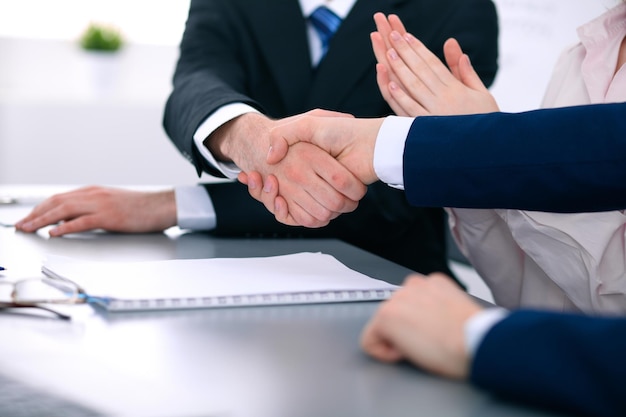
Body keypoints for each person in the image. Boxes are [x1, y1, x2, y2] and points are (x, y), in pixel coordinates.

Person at [15, 0, 499, 285]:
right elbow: (195, 81)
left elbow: (397, 194)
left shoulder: (458, 9)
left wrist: (173, 206)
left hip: (393, 284)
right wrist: (251, 137)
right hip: (230, 274)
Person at [248, 4, 626, 315]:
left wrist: (472, 146)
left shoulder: (461, 13)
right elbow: (525, 290)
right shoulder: (579, 57)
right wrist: (477, 175)